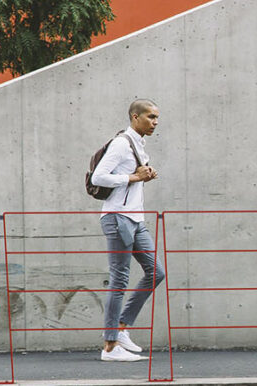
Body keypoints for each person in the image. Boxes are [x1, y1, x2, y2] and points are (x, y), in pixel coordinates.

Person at [88, 98, 165, 362]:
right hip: (117, 217)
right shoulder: (122, 143)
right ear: (135, 117)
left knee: (156, 273)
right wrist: (134, 177)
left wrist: (144, 176)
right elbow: (98, 177)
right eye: (150, 117)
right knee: (119, 279)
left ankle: (120, 328)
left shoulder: (138, 145)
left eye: (156, 118)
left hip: (135, 219)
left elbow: (132, 179)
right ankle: (110, 347)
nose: (155, 122)